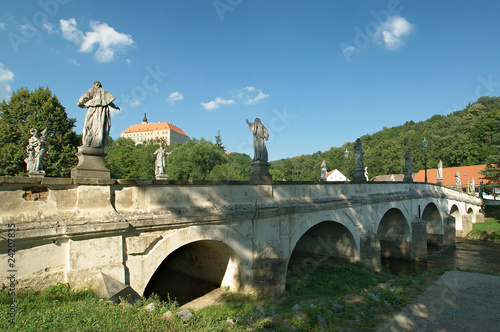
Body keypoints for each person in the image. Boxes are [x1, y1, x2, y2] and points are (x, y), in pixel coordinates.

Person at [77, 81, 120, 148]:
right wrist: (115, 107)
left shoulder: (92, 90)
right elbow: (109, 101)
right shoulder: (104, 92)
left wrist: (80, 103)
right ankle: (95, 142)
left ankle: (91, 142)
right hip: (101, 111)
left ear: (94, 85)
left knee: (90, 125)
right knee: (98, 126)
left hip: (94, 109)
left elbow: (84, 97)